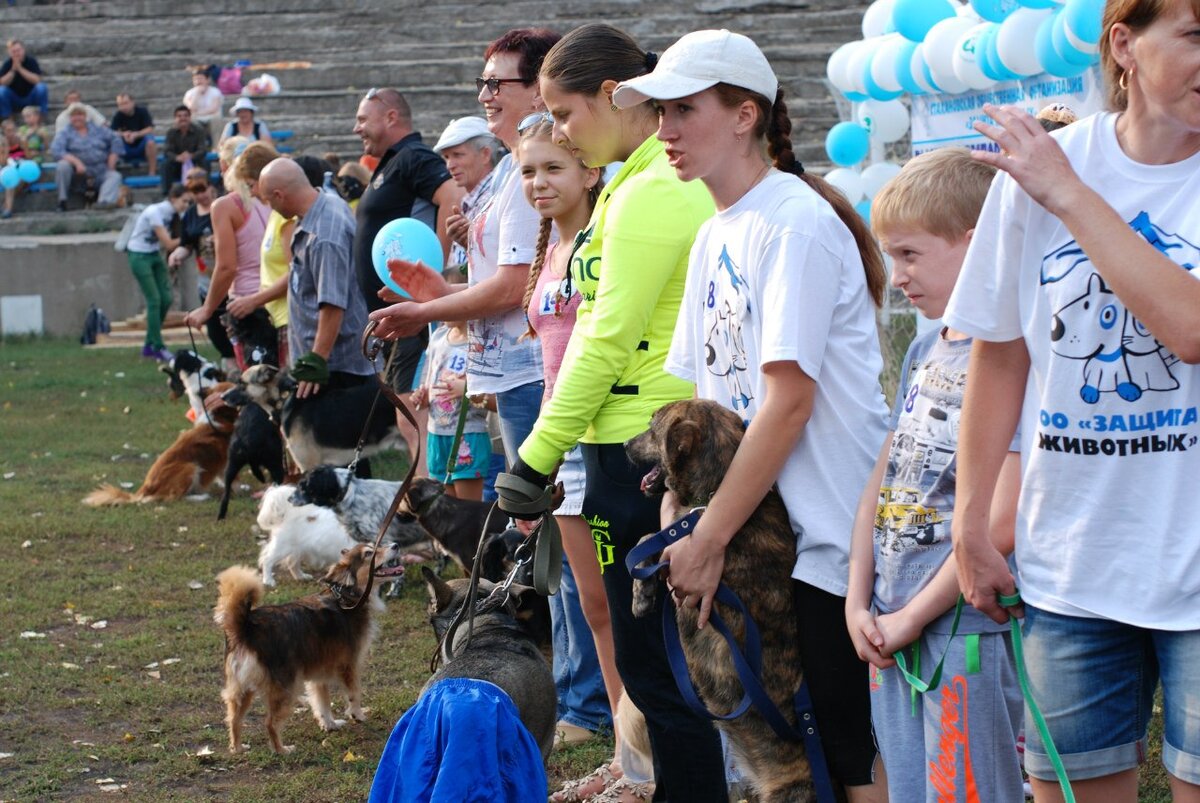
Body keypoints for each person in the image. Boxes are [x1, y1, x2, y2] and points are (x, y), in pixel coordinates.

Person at [614, 29, 892, 801]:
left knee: (846, 749)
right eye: (658, 112)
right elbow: (706, 409)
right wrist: (680, 509)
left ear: (745, 115)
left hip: (830, 534)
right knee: (793, 751)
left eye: (683, 109)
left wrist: (706, 535)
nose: (664, 129)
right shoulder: (714, 231)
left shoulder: (793, 221)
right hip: (760, 534)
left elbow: (788, 403)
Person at [945, 0, 1200, 799]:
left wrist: (1071, 194)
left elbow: (1192, 330)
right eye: (1197, 36)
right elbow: (999, 351)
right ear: (1124, 43)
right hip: (1071, 564)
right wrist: (971, 523)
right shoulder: (1043, 168)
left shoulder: (1053, 174)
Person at [478, 23, 723, 802]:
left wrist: (537, 453)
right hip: (628, 441)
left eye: (566, 112)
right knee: (654, 662)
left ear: (614, 98)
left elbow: (609, 336)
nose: (562, 131)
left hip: (648, 449)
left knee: (659, 661)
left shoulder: (651, 187)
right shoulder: (631, 178)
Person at [843, 147, 1023, 802]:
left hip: (959, 629)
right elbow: (883, 479)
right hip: (890, 625)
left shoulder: (1012, 356)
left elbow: (1000, 519)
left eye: (910, 255)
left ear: (976, 246)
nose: (896, 277)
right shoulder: (925, 346)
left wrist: (915, 616)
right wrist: (858, 599)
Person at [517, 116, 644, 803]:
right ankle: (630, 754)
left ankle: (652, 755)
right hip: (556, 445)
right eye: (530, 171)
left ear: (590, 172)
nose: (538, 183)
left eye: (553, 169)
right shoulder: (552, 246)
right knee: (595, 606)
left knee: (626, 604)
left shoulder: (606, 238)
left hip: (604, 439)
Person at [351, 87, 462, 421]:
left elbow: (451, 196)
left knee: (413, 415)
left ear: (391, 117)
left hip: (412, 313)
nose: (356, 129)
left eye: (362, 120)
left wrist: (431, 279)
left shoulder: (414, 156)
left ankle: (424, 476)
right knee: (407, 413)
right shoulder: (392, 162)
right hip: (398, 314)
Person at [256, 157, 374, 398]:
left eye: (269, 201)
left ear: (280, 195)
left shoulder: (325, 234)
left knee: (332, 436)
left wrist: (317, 360)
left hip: (337, 368)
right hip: (328, 362)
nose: (271, 208)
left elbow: (332, 304)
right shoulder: (321, 206)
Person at [183, 139, 275, 370]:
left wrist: (207, 309)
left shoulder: (225, 206)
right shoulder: (274, 197)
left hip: (247, 303)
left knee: (254, 384)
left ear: (224, 167)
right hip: (278, 298)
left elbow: (226, 267)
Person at [413, 318, 492, 500]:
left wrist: (466, 390)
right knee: (444, 509)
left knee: (466, 513)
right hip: (436, 436)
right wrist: (421, 397)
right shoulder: (438, 336)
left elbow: (496, 397)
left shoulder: (482, 341)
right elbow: (428, 384)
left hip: (467, 436)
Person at [170, 168, 236, 370]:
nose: (201, 195)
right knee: (217, 333)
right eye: (195, 191)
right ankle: (231, 371)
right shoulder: (190, 214)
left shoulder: (224, 207)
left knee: (235, 330)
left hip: (231, 278)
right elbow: (187, 244)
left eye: (203, 189)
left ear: (211, 187)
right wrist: (177, 254)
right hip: (206, 280)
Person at [126, 184, 193, 361]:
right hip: (139, 255)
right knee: (154, 300)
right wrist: (192, 236)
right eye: (183, 201)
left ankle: (149, 344)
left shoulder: (175, 214)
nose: (186, 205)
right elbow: (169, 244)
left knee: (166, 298)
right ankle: (157, 345)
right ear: (173, 198)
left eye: (188, 202)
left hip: (154, 254)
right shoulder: (154, 212)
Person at [431, 115, 501, 270]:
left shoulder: (497, 198)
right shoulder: (471, 200)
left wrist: (471, 242)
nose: (450, 165)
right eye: (446, 157)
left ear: (485, 154)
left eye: (457, 155)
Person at [50, 102, 122, 212]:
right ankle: (62, 201)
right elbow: (56, 150)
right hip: (77, 174)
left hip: (99, 170)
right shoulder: (65, 133)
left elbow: (116, 139)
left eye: (80, 114)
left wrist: (113, 158)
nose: (77, 118)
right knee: (62, 166)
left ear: (85, 116)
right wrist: (76, 162)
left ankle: (104, 203)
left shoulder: (98, 130)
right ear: (70, 118)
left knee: (114, 176)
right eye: (74, 115)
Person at [162, 105, 210, 196]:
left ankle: (206, 189)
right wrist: (177, 157)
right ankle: (166, 193)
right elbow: (167, 151)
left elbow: (202, 149)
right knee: (165, 164)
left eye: (185, 116)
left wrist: (191, 156)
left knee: (205, 162)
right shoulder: (171, 132)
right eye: (179, 116)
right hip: (177, 164)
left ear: (189, 117)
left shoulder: (199, 130)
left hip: (194, 162)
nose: (182, 118)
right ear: (175, 118)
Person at [0, 39, 49, 121]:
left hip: (31, 97)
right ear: (10, 53)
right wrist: (13, 70)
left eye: (18, 50)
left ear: (23, 50)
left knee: (42, 88)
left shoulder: (31, 61)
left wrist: (20, 69)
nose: (16, 53)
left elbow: (37, 80)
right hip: (14, 99)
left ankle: (41, 119)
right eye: (13, 51)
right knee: (1, 91)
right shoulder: (7, 64)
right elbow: (2, 83)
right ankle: (8, 121)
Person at [111, 92, 157, 177]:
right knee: (113, 141)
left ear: (132, 102)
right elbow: (112, 132)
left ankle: (152, 172)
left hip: (142, 145)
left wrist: (136, 134)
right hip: (125, 147)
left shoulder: (142, 111)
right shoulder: (118, 115)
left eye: (125, 103)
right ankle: (112, 174)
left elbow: (150, 128)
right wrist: (124, 134)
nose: (123, 107)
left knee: (150, 141)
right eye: (120, 104)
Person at [183, 69, 223, 146]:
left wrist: (199, 113)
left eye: (201, 79)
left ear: (207, 80)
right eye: (196, 79)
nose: (198, 81)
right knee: (192, 121)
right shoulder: (189, 93)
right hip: (196, 118)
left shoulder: (216, 92)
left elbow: (214, 109)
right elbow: (191, 108)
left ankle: (217, 147)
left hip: (211, 117)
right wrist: (197, 94)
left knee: (216, 120)